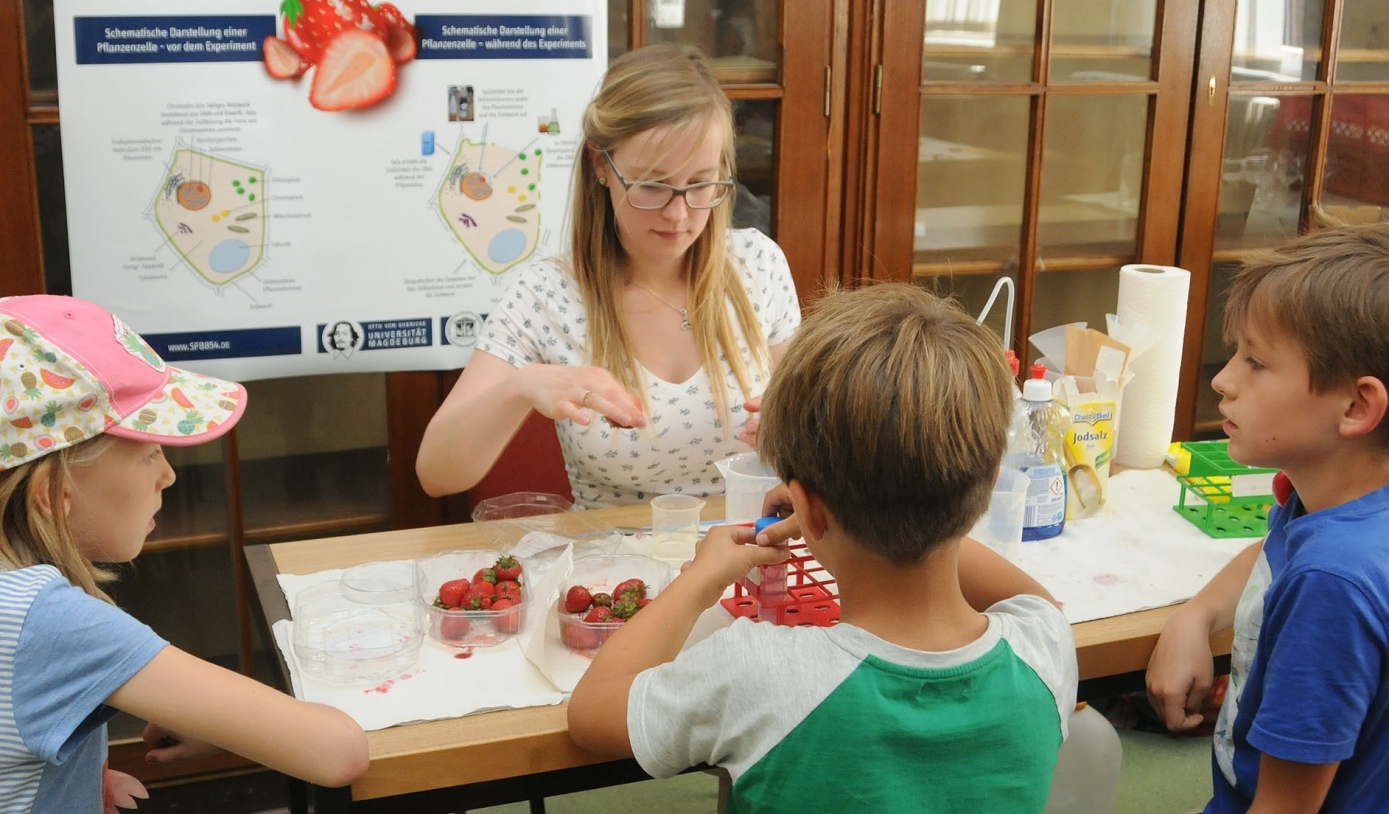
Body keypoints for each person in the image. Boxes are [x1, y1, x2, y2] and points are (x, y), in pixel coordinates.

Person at [568, 283, 1078, 811]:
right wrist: (908, 507)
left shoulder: (757, 673)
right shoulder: (1045, 648)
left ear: (808, 510)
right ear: (992, 483)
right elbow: (1034, 601)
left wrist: (699, 580)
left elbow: (590, 712)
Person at [0, 295, 368, 811]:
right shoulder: (48, 620)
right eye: (150, 453)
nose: (169, 476)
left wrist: (77, 780)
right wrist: (236, 727)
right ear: (55, 494)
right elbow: (338, 753)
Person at [415, 43, 801, 509]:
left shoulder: (758, 265)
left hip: (748, 540)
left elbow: (812, 438)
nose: (678, 214)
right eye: (652, 185)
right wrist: (520, 387)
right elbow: (437, 474)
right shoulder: (547, 295)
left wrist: (794, 433)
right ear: (601, 165)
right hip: (614, 552)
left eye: (701, 183)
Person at [1145, 220, 1389, 813]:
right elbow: (1275, 548)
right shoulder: (1336, 499)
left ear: (1357, 406)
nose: (1223, 379)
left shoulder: (1331, 584)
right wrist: (1195, 616)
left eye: (1255, 362)